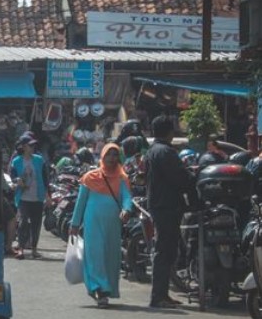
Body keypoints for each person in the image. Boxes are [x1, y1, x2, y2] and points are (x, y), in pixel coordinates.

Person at [69, 143, 133, 307]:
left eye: (115, 155)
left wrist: (126, 210)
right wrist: (75, 224)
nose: (112, 158)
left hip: (113, 225)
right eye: (109, 155)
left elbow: (127, 198)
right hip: (93, 223)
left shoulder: (122, 178)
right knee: (95, 254)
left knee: (110, 256)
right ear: (102, 157)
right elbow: (80, 203)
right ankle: (99, 289)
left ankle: (106, 288)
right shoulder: (90, 177)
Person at [144, 115, 194, 308]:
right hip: (166, 206)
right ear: (170, 132)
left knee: (165, 250)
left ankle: (162, 294)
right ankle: (159, 296)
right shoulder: (165, 152)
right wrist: (192, 180)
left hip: (160, 205)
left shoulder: (153, 151)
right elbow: (180, 178)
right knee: (164, 251)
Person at [10, 132, 51, 258]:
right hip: (23, 197)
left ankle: (34, 248)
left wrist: (48, 195)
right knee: (23, 222)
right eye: (30, 145)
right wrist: (18, 181)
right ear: (23, 147)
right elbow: (13, 177)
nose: (32, 148)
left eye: (33, 145)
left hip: (37, 197)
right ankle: (21, 248)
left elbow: (45, 178)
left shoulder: (39, 160)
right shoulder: (16, 161)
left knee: (36, 223)